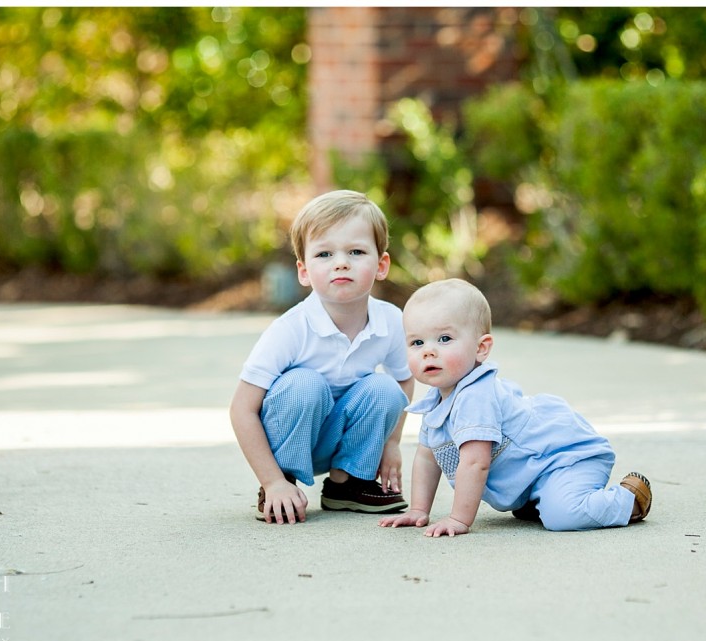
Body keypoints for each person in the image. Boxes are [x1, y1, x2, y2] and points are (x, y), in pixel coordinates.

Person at [379, 278, 652, 537]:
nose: (428, 351)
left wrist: (459, 518)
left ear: (481, 348)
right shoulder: (435, 402)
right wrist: (418, 510)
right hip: (535, 474)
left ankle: (628, 501)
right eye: (417, 342)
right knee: (548, 510)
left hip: (565, 459)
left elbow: (475, 462)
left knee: (563, 516)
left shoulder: (476, 396)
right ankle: (539, 498)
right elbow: (427, 457)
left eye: (444, 339)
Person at [230, 190, 415, 524]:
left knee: (386, 388)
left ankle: (347, 483)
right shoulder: (290, 329)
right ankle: (283, 485)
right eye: (324, 253)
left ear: (381, 264)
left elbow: (404, 377)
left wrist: (392, 443)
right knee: (304, 383)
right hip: (289, 441)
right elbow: (242, 408)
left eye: (356, 251)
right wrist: (270, 480)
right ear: (303, 271)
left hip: (340, 439)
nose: (341, 262)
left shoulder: (390, 321)